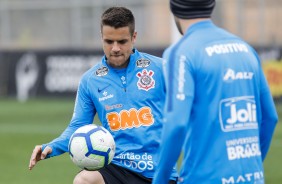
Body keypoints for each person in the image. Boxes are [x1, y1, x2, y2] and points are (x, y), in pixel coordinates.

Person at [29, 6, 178, 184]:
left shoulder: (161, 68)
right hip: (117, 167)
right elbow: (77, 127)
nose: (115, 48)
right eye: (109, 41)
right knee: (83, 180)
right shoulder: (90, 80)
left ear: (134, 37)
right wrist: (51, 148)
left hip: (159, 170)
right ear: (101, 38)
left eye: (122, 42)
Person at [153, 0, 278, 184]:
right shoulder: (245, 49)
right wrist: (251, 166)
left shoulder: (180, 53)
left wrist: (160, 180)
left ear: (174, 9)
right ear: (211, 5)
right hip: (252, 177)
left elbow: (176, 124)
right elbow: (270, 117)